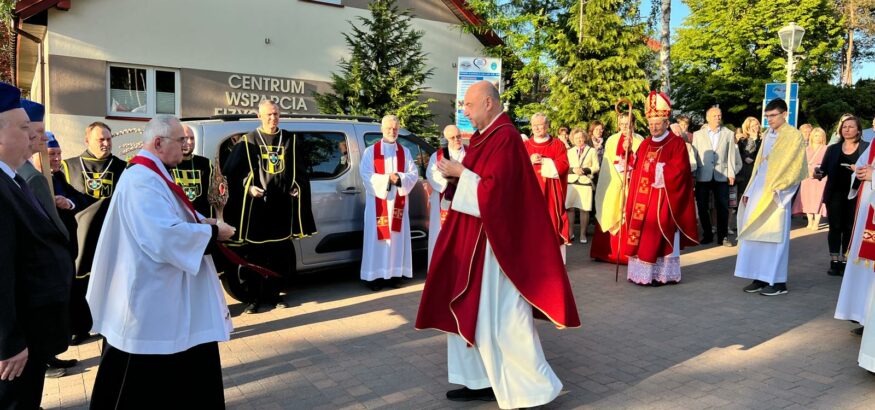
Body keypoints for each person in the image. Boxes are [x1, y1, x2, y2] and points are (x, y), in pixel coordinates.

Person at [415, 80, 580, 409]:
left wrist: (462, 173)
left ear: (489, 103)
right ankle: (479, 380)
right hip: (474, 243)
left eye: (469, 105)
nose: (465, 111)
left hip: (497, 249)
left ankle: (532, 390)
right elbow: (478, 181)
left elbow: (499, 194)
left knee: (504, 319)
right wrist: (455, 176)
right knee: (474, 314)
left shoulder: (505, 137)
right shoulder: (484, 137)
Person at [87, 115, 234, 408]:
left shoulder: (153, 175)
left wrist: (200, 221)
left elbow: (170, 217)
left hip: (165, 296)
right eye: (180, 140)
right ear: (158, 143)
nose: (186, 146)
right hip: (150, 301)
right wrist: (213, 232)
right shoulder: (141, 180)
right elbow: (162, 235)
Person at [0, 82, 73, 409]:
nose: (32, 135)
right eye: (23, 127)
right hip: (17, 343)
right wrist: (8, 342)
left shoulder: (13, 179)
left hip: (32, 331)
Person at [222, 100, 317, 313]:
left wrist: (296, 186)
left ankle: (275, 295)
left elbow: (301, 170)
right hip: (257, 209)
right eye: (269, 115)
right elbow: (232, 174)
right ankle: (254, 299)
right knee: (254, 257)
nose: (273, 118)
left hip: (282, 208)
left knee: (280, 256)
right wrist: (248, 188)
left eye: (276, 114)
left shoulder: (290, 139)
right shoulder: (248, 141)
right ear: (259, 116)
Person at [15, 100, 80, 379]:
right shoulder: (30, 177)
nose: (42, 139)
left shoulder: (31, 174)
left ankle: (47, 357)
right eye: (37, 132)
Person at [60, 121, 126, 344]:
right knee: (80, 283)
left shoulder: (123, 167)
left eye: (109, 139)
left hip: (112, 233)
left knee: (112, 281)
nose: (106, 143)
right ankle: (79, 327)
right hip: (81, 235)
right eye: (101, 139)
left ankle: (111, 321)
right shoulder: (68, 166)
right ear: (87, 140)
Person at [624, 91, 698, 285]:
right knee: (643, 234)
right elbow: (636, 166)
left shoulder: (676, 143)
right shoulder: (645, 143)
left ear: (666, 123)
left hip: (663, 199)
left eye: (657, 124)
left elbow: (681, 171)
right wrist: (628, 156)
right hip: (642, 201)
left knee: (660, 233)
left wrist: (660, 170)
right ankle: (641, 274)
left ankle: (661, 275)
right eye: (650, 124)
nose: (653, 127)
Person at [734, 99, 807, 296]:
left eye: (773, 115)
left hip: (778, 194)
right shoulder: (767, 134)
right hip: (759, 190)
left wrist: (782, 189)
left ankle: (778, 282)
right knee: (756, 234)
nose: (769, 120)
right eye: (767, 116)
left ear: (785, 114)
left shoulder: (794, 136)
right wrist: (749, 191)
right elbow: (759, 165)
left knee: (774, 238)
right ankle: (759, 277)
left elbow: (796, 167)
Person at [359, 114, 419, 291]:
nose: (392, 131)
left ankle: (394, 274)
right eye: (389, 128)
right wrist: (387, 179)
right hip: (378, 204)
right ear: (382, 129)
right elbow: (366, 175)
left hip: (398, 204)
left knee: (397, 239)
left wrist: (399, 178)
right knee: (377, 240)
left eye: (395, 128)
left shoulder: (405, 152)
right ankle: (375, 277)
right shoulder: (370, 152)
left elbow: (413, 174)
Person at [834, 116, 875, 336]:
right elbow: (861, 166)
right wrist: (859, 173)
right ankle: (865, 316)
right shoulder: (874, 143)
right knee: (865, 269)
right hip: (867, 210)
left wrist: (873, 175)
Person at [591, 112, 643, 264]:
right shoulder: (612, 140)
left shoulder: (640, 140)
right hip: (614, 181)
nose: (624, 127)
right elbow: (608, 163)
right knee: (610, 210)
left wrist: (631, 154)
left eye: (627, 124)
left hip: (631, 182)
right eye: (621, 124)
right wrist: (618, 176)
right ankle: (605, 253)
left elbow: (640, 162)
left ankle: (628, 253)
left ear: (633, 124)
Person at [821, 115, 868, 278]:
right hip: (834, 193)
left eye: (851, 126)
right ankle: (834, 261)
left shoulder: (866, 148)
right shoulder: (833, 148)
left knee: (850, 227)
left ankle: (846, 260)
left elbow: (870, 169)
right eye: (844, 127)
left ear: (858, 130)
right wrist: (818, 173)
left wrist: (858, 169)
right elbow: (823, 169)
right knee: (835, 227)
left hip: (856, 194)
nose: (847, 129)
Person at [691, 106, 742, 247]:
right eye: (714, 116)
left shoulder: (728, 133)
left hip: (722, 175)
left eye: (719, 115)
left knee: (723, 207)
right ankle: (707, 234)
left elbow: (731, 155)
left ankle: (723, 237)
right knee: (702, 206)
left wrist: (731, 173)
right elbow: (694, 155)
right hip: (703, 175)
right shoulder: (698, 134)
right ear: (707, 118)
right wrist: (694, 174)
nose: (718, 118)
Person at [525, 112, 571, 259]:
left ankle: (554, 258)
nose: (537, 128)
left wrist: (545, 161)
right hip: (530, 192)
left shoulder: (557, 144)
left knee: (552, 221)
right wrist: (529, 160)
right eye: (534, 125)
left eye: (540, 125)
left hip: (551, 194)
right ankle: (531, 256)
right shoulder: (525, 145)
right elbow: (516, 167)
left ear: (547, 126)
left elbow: (564, 165)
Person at [426, 125, 465, 266]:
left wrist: (460, 177)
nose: (457, 140)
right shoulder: (437, 156)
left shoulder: (470, 153)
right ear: (446, 139)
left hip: (464, 201)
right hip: (444, 201)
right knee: (440, 234)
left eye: (458, 136)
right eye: (452, 138)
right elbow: (431, 175)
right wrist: (449, 178)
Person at [172, 124, 214, 217]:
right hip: (177, 219)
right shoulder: (168, 163)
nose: (190, 142)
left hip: (201, 221)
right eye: (184, 138)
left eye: (192, 138)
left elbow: (215, 196)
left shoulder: (205, 164)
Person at [566, 128, 599, 244]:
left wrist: (585, 170)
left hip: (585, 182)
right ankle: (570, 233)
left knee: (584, 209)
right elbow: (565, 166)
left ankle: (583, 234)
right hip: (571, 182)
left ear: (585, 138)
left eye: (581, 137)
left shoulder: (592, 151)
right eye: (576, 138)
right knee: (570, 208)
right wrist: (573, 170)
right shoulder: (569, 151)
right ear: (572, 139)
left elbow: (596, 167)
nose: (579, 140)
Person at [792, 127, 828, 230]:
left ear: (823, 137)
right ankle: (810, 221)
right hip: (807, 176)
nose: (818, 137)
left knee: (818, 199)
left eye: (820, 136)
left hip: (820, 176)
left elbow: (828, 163)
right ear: (812, 136)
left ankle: (816, 222)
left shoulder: (827, 149)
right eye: (816, 135)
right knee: (806, 198)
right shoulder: (806, 149)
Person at [736, 117, 762, 203]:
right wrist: (744, 158)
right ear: (747, 128)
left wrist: (756, 139)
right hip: (745, 170)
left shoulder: (763, 139)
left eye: (756, 124)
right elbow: (737, 153)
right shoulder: (742, 140)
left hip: (758, 170)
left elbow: (761, 153)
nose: (755, 127)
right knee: (743, 193)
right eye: (752, 126)